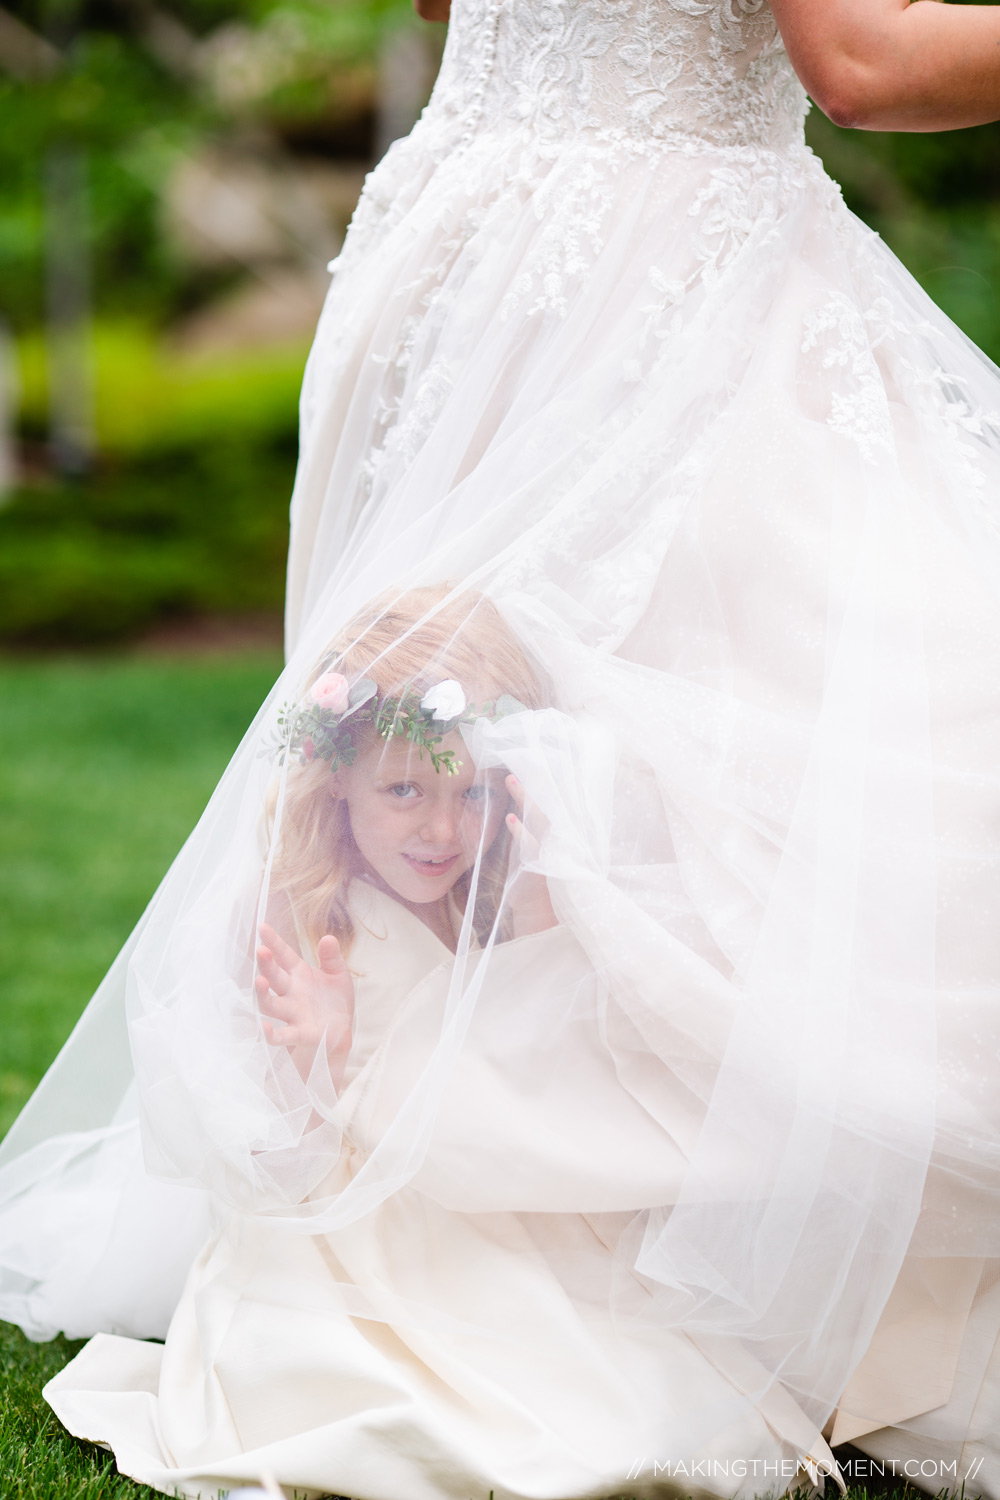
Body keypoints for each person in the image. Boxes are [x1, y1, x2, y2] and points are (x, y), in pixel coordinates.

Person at [5, 0, 1000, 1494]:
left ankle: (428, 1195)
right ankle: (650, 1272)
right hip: (664, 289)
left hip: (468, 245)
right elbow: (867, 63)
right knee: (748, 755)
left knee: (517, 745)